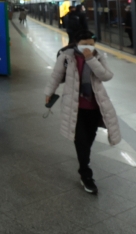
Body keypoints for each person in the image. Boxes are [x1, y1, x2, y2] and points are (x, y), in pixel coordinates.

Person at [44, 30, 121, 194]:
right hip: (74, 106)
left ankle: (84, 162)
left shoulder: (99, 56)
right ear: (76, 43)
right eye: (85, 44)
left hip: (95, 107)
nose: (88, 47)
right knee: (81, 140)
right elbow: (56, 75)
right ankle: (85, 173)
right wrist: (48, 93)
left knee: (89, 138)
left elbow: (106, 76)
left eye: (92, 45)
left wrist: (91, 59)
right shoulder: (66, 56)